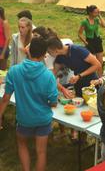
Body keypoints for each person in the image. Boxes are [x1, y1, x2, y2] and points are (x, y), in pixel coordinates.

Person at [0, 37, 58, 171]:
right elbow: (54, 102)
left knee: (22, 144)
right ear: (44, 55)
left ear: (28, 51)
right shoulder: (48, 76)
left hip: (24, 119)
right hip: (43, 119)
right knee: (41, 152)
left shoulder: (14, 71)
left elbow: (5, 98)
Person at [78, 5, 105, 75]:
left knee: (100, 62)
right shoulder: (85, 22)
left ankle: (100, 78)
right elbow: (79, 33)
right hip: (90, 42)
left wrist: (100, 15)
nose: (97, 13)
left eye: (98, 12)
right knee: (93, 63)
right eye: (95, 12)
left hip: (97, 40)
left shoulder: (96, 19)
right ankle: (93, 77)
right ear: (90, 13)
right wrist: (85, 42)